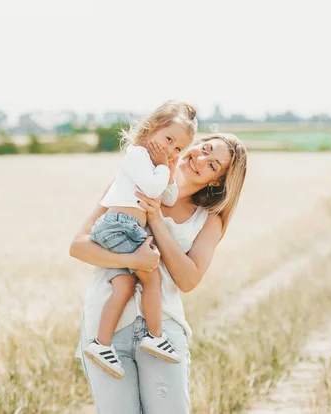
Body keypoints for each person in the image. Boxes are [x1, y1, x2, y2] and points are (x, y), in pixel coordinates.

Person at [70, 132, 248, 413]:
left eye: (213, 165)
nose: (200, 158)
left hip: (162, 330)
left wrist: (155, 218)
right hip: (107, 330)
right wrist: (134, 258)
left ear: (216, 181)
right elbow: (78, 246)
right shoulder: (131, 183)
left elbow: (189, 279)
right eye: (205, 148)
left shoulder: (208, 219)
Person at [84, 100, 197, 379]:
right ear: (151, 128)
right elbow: (151, 187)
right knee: (151, 277)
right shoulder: (136, 155)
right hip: (120, 225)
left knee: (125, 285)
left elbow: (166, 196)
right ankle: (155, 336)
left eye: (178, 149)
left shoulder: (156, 164)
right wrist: (161, 166)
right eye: (168, 139)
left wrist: (169, 171)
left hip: (125, 227)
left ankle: (101, 344)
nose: (171, 150)